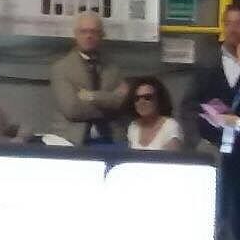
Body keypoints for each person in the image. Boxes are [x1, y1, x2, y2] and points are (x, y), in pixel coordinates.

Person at [187, 5, 240, 240]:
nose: (234, 29)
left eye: (239, 24)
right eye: (230, 24)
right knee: (216, 218)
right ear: (223, 26)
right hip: (212, 150)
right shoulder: (207, 63)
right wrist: (197, 141)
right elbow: (188, 105)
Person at [49, 11, 127, 146]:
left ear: (102, 35)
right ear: (75, 35)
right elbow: (72, 110)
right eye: (83, 31)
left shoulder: (113, 68)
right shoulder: (61, 68)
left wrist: (91, 96)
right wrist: (109, 101)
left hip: (110, 138)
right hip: (72, 140)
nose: (89, 36)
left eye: (94, 32)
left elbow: (122, 104)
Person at [124, 76, 184, 150]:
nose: (141, 102)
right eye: (137, 98)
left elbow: (172, 160)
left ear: (159, 99)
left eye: (147, 98)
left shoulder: (170, 126)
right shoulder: (133, 126)